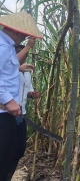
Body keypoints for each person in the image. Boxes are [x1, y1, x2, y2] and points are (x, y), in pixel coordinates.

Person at [0, 11, 43, 180]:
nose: (24, 39)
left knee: (13, 153)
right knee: (4, 157)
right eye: (24, 36)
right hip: (3, 114)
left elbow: (5, 70)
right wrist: (8, 100)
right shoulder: (2, 46)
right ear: (17, 31)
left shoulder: (7, 46)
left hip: (8, 114)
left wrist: (18, 68)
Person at [6, 40, 41, 180]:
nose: (22, 54)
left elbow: (27, 91)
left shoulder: (26, 73)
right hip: (7, 115)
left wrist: (32, 95)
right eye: (19, 51)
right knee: (6, 149)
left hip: (22, 114)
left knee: (19, 149)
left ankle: (8, 174)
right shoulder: (6, 70)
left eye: (24, 52)